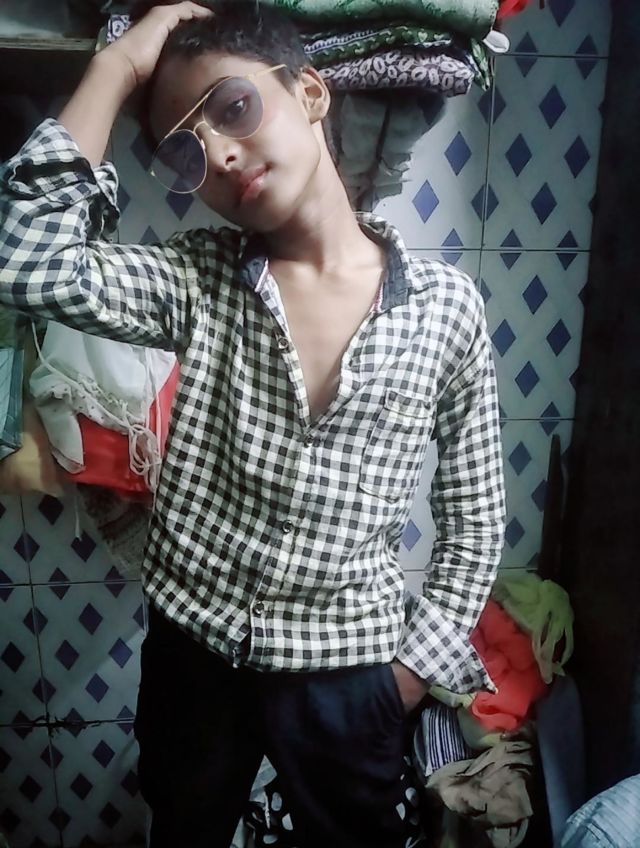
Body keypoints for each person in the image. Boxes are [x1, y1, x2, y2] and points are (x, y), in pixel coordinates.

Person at [0, 2, 506, 846]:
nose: (221, 153)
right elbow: (27, 262)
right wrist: (118, 65)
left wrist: (413, 672)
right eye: (187, 151)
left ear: (309, 92)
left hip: (350, 671)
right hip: (194, 660)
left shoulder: (445, 309)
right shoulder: (195, 281)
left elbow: (476, 519)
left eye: (233, 107)